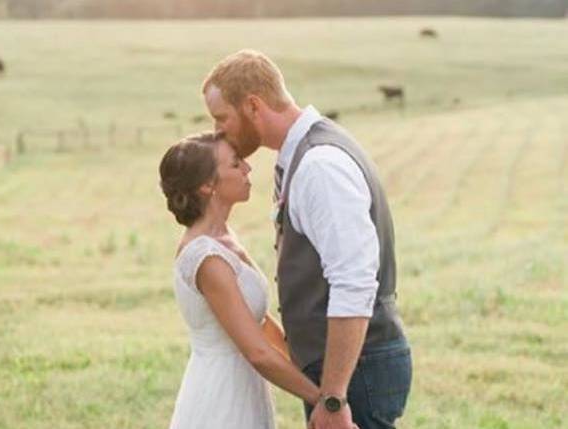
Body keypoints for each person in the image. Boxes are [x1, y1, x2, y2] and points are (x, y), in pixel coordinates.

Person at [202, 50, 412, 429]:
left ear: (253, 106)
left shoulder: (319, 166)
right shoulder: (303, 154)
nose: (218, 131)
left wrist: (333, 396)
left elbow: (354, 281)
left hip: (355, 374)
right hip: (347, 370)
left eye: (222, 118)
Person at [159, 131, 320, 429]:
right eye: (235, 164)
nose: (247, 169)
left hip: (245, 386)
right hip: (221, 396)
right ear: (208, 185)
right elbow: (258, 352)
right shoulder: (207, 259)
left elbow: (259, 321)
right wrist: (323, 401)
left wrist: (308, 369)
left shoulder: (223, 237)